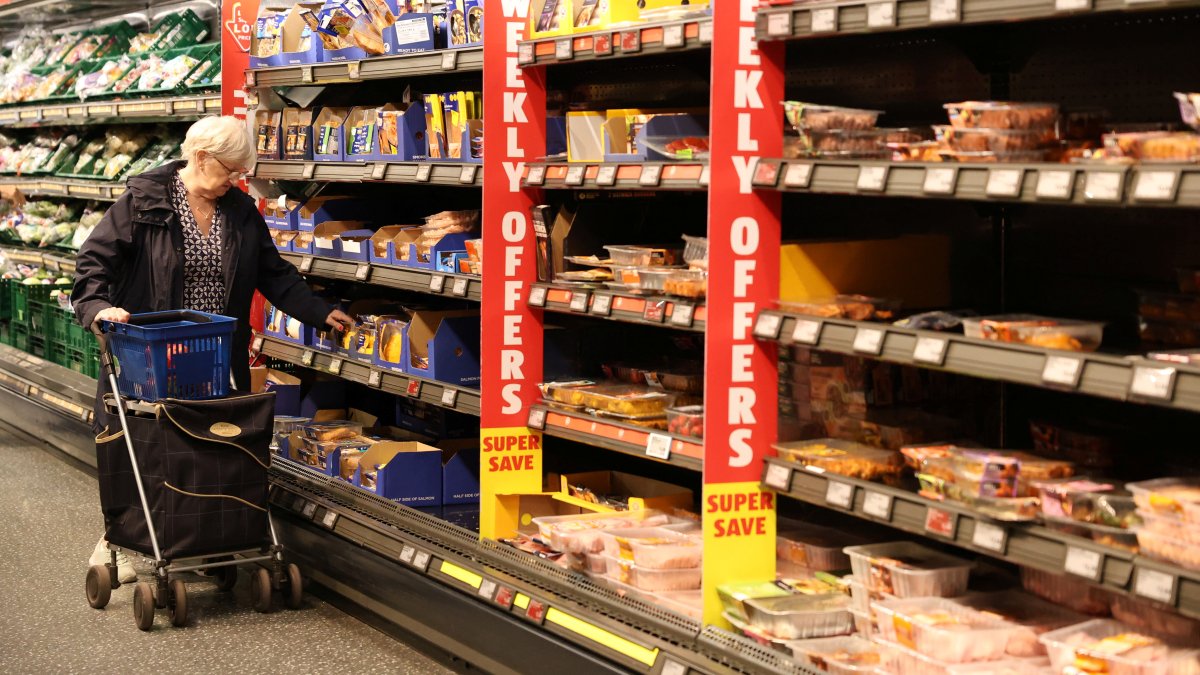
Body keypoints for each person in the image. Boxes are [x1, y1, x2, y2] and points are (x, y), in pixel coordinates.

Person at [71, 116, 353, 582]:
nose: (235, 180)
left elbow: (273, 272)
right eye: (229, 170)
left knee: (209, 444)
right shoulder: (144, 201)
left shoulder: (239, 210)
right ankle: (119, 537)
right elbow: (94, 262)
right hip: (151, 355)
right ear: (200, 157)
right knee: (144, 446)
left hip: (214, 354)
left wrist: (318, 312)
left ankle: (204, 535)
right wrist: (99, 307)